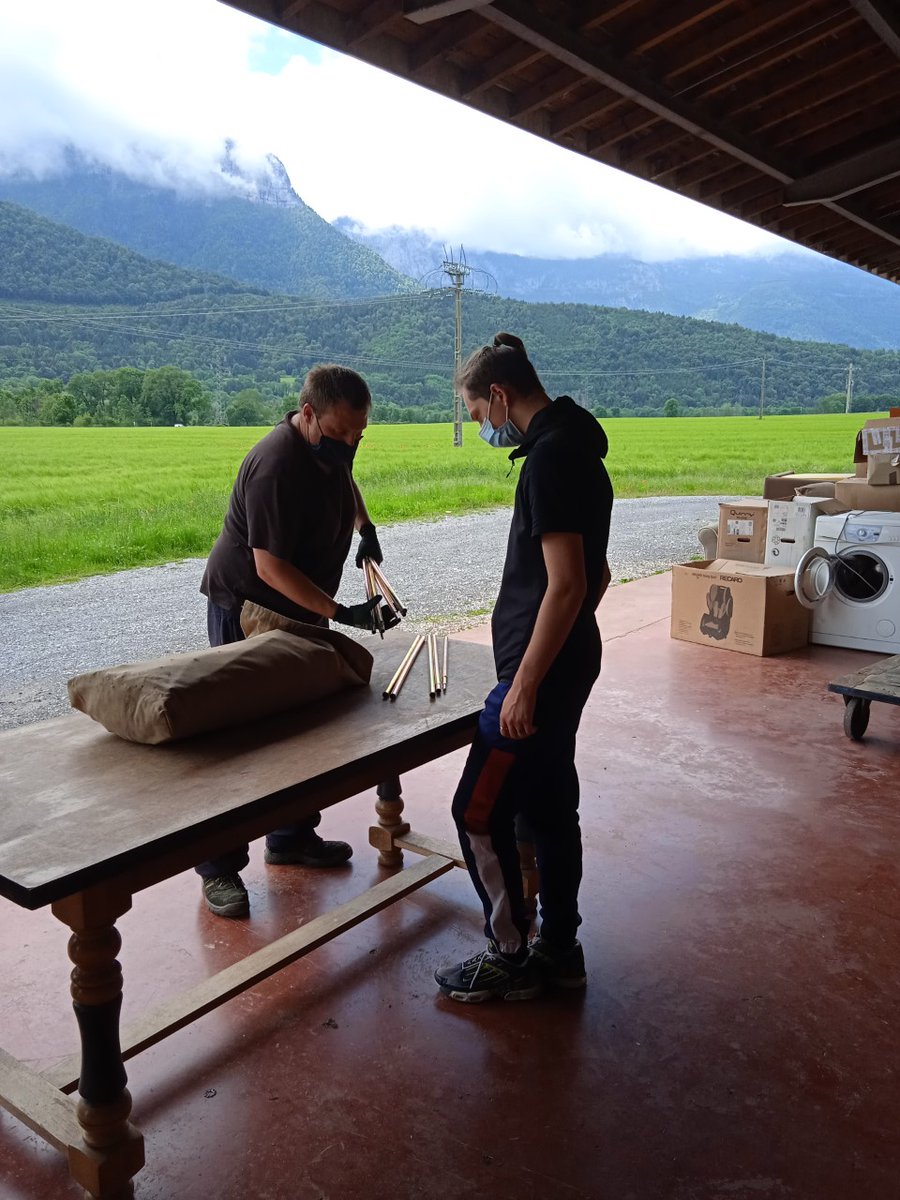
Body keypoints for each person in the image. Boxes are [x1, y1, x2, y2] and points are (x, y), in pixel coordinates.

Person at [434, 332, 613, 1002]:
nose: (483, 425)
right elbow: (597, 575)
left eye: (479, 414)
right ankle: (560, 950)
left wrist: (528, 682)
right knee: (546, 807)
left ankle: (511, 956)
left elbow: (567, 584)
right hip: (563, 664)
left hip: (538, 678)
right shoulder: (577, 451)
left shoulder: (550, 460)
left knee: (477, 810)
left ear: (501, 396)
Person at [197, 364, 384, 918]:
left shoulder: (327, 448)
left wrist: (365, 528)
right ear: (307, 415)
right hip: (250, 608)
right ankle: (218, 870)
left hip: (298, 609)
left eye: (359, 435)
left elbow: (344, 480)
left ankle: (291, 839)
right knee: (240, 739)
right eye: (341, 433)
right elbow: (270, 566)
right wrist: (341, 612)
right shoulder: (275, 466)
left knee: (305, 730)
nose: (349, 444)